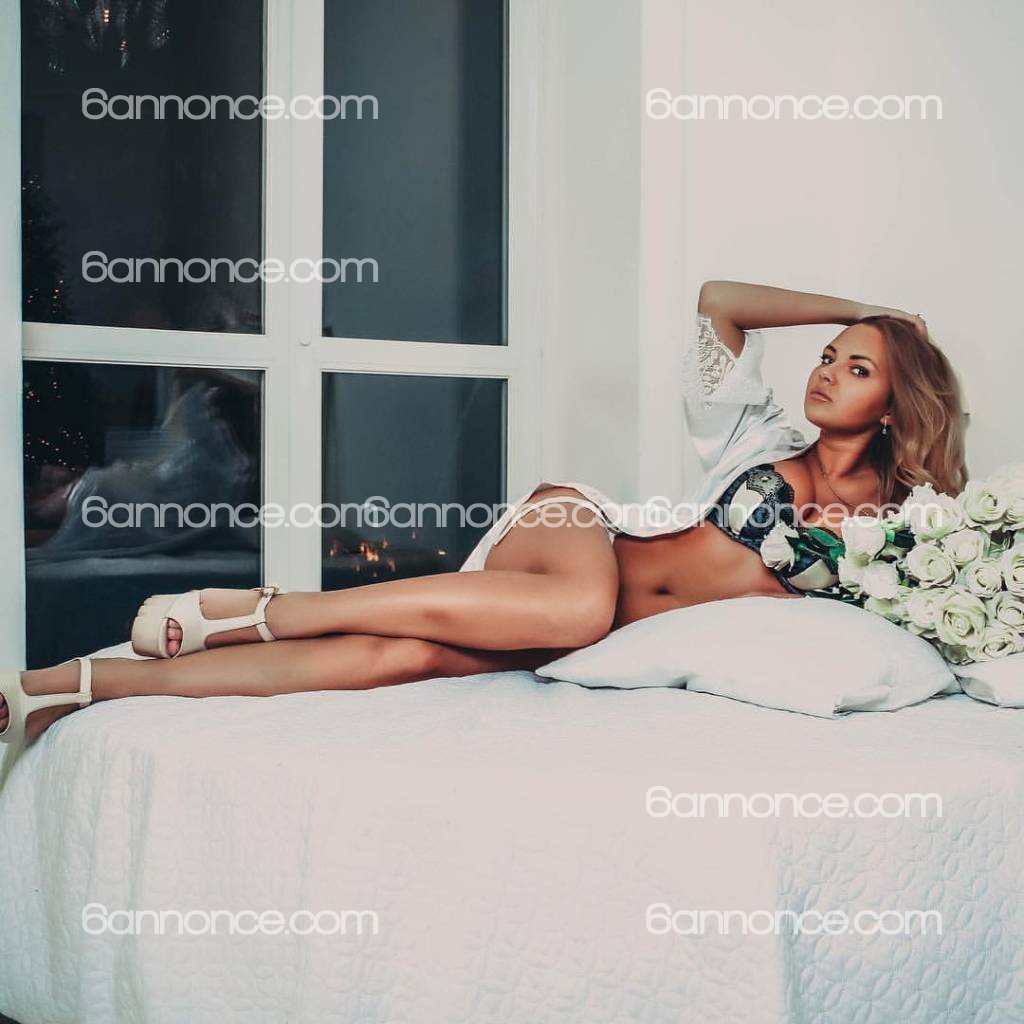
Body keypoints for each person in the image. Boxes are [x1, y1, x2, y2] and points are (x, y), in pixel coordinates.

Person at [0, 281, 969, 772]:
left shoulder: (911, 530)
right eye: (830, 355)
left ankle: (64, 689)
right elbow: (719, 301)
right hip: (576, 535)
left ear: (894, 406)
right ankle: (262, 607)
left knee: (395, 660)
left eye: (856, 367)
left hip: (582, 628)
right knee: (578, 604)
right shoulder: (759, 432)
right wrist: (867, 310)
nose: (826, 371)